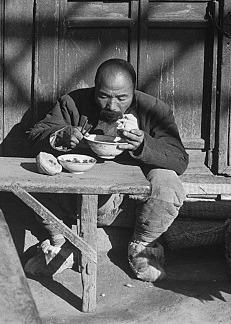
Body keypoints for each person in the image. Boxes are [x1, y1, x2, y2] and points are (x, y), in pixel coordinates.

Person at [26, 58, 188, 282]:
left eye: (122, 98)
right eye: (103, 96)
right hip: (77, 198)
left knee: (168, 181)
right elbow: (35, 135)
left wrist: (143, 144)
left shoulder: (154, 109)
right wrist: (60, 135)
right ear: (95, 88)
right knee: (34, 172)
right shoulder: (73, 103)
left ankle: (142, 247)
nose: (112, 106)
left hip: (129, 206)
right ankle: (61, 243)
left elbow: (179, 159)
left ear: (133, 91)